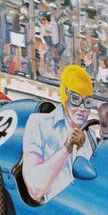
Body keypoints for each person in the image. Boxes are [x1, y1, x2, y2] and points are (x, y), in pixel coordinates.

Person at [21, 64, 95, 204]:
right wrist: (67, 147)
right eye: (75, 99)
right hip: (53, 208)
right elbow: (35, 189)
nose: (82, 108)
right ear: (64, 96)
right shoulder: (38, 124)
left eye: (87, 102)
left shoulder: (91, 134)